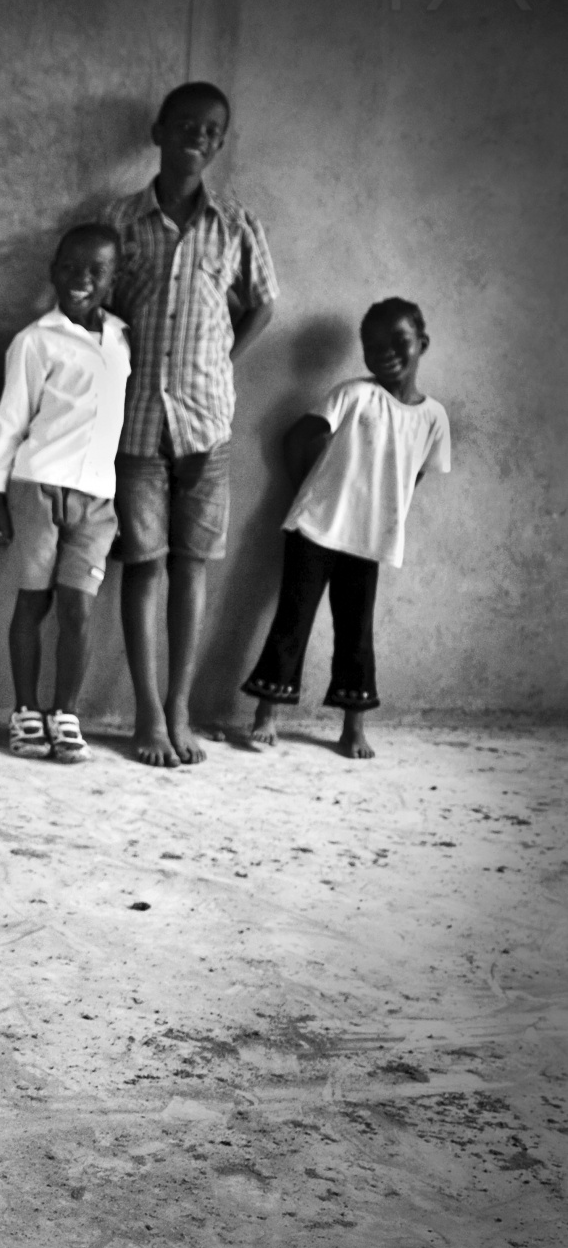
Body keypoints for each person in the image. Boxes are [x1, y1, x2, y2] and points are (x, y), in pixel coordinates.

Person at [105, 81, 278, 767]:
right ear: (157, 131)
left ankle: (180, 708)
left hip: (206, 423)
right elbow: (96, 301)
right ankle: (148, 714)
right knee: (143, 565)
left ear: (220, 143)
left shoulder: (235, 224)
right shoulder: (121, 219)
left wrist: (223, 361)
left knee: (191, 566)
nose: (196, 136)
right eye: (184, 124)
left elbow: (263, 304)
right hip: (135, 422)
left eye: (210, 130)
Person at [242, 299, 450, 759]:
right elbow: (297, 438)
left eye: (398, 341)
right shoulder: (353, 394)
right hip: (315, 528)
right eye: (372, 346)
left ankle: (353, 728)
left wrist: (385, 511)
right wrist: (312, 492)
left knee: (356, 631)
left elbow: (414, 474)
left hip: (368, 538)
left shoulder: (434, 418)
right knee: (292, 620)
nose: (386, 353)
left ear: (423, 343)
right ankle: (266, 714)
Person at [0, 226, 130, 762]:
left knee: (78, 607)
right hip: (37, 486)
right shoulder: (36, 340)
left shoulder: (122, 338)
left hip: (98, 497)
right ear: (52, 271)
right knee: (33, 600)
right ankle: (25, 711)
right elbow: (10, 422)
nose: (80, 279)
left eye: (96, 270)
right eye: (69, 267)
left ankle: (65, 713)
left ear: (114, 279)